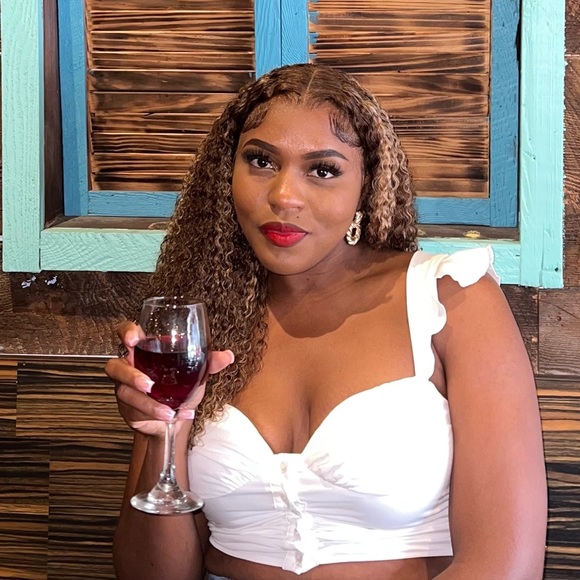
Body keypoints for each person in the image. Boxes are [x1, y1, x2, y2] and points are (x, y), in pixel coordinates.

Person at [105, 63, 547, 580]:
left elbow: (503, 565)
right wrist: (161, 433)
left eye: (323, 170)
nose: (284, 196)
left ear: (366, 185)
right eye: (261, 161)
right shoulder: (204, 320)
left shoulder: (450, 298)